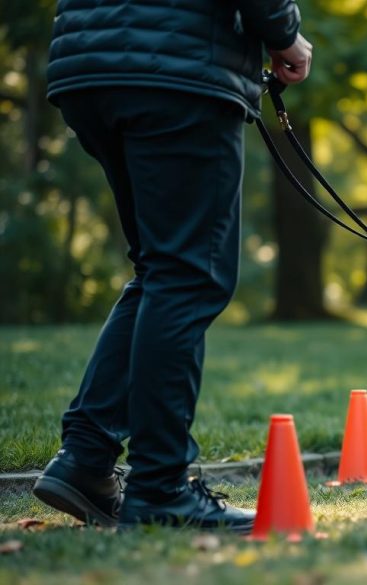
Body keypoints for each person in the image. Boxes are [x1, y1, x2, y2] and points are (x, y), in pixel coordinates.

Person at [31, 0, 312, 533]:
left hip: (88, 64)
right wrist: (286, 36)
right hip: (177, 71)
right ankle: (160, 487)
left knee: (163, 271)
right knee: (188, 277)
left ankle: (86, 460)